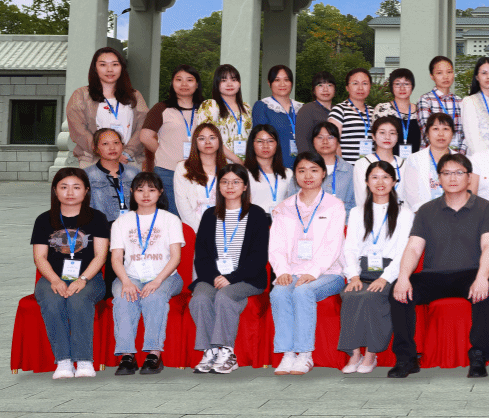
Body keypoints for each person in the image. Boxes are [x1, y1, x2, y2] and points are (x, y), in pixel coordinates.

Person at [389, 153, 489, 378]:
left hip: (470, 273)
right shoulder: (426, 210)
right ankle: (406, 358)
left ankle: (478, 356)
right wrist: (403, 277)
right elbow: (413, 248)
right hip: (434, 276)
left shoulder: (486, 208)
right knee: (398, 291)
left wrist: (482, 277)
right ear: (438, 178)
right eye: (446, 173)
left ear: (469, 178)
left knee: (488, 283)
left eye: (459, 173)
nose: (453, 178)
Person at [268, 152, 347, 375]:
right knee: (278, 292)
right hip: (292, 271)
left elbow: (333, 246)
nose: (308, 176)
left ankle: (304, 355)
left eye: (314, 170)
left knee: (303, 291)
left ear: (323, 173)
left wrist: (313, 272)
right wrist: (282, 271)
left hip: (328, 273)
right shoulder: (284, 207)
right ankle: (287, 354)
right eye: (301, 171)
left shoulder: (334, 205)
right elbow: (276, 246)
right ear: (295, 175)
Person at [190, 163, 271, 375]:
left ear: (245, 186)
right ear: (219, 187)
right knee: (199, 298)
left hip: (247, 278)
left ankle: (227, 352)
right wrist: (215, 277)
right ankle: (210, 351)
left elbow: (259, 257)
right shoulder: (210, 215)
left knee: (225, 296)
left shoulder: (256, 214)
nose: (230, 186)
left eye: (236, 182)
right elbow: (202, 256)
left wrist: (231, 278)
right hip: (213, 276)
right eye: (225, 182)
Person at [32, 168, 110, 379]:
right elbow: (40, 257)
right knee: (52, 301)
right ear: (55, 190)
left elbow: (100, 256)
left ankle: (84, 360)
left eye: (76, 187)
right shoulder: (44, 220)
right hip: (52, 278)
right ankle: (63, 361)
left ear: (86, 190)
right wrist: (55, 280)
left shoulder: (97, 218)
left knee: (78, 299)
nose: (70, 192)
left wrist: (83, 279)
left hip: (90, 278)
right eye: (64, 187)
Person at [339, 161, 414, 374]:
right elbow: (350, 248)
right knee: (350, 294)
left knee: (372, 296)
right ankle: (355, 354)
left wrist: (385, 278)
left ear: (394, 181)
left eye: (385, 177)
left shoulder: (405, 213)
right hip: (362, 269)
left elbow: (404, 251)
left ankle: (371, 355)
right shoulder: (357, 212)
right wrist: (353, 276)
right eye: (374, 177)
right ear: (366, 182)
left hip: (390, 270)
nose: (380, 182)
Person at [109, 171, 183, 376]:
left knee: (154, 297)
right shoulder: (121, 222)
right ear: (132, 193)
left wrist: (157, 281)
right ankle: (127, 356)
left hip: (166, 276)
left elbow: (176, 257)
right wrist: (126, 281)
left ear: (160, 192)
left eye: (151, 190)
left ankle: (153, 354)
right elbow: (116, 258)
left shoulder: (170, 220)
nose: (146, 195)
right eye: (140, 190)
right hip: (130, 275)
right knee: (123, 297)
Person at [137, 64, 205, 216]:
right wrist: (163, 151)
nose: (184, 84)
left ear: (197, 84)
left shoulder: (204, 109)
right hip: (168, 171)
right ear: (172, 83)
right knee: (170, 216)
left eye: (189, 80)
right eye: (178, 79)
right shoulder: (161, 108)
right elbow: (145, 136)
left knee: (196, 214)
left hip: (199, 171)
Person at [66, 46, 149, 167]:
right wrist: (102, 150)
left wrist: (127, 153)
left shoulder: (135, 95)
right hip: (93, 161)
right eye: (103, 65)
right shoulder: (81, 95)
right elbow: (78, 130)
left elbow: (143, 126)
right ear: (95, 68)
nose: (110, 70)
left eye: (115, 64)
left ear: (122, 68)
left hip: (128, 160)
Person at [402, 113, 461, 210]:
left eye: (445, 129)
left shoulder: (461, 160)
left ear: (452, 134)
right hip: (424, 215)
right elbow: (412, 196)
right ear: (427, 133)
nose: (441, 134)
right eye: (435, 129)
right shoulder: (414, 159)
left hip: (456, 214)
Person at [197, 64, 252, 162]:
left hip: (245, 163)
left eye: (233, 80)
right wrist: (237, 160)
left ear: (239, 83)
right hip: (219, 163)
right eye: (224, 80)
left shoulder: (246, 107)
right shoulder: (210, 106)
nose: (229, 84)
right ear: (217, 84)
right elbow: (208, 139)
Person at [174, 122, 222, 233]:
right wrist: (200, 231)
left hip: (222, 231)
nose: (207, 142)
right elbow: (182, 204)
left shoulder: (227, 169)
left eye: (212, 138)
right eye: (202, 138)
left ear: (219, 141)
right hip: (194, 230)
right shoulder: (183, 168)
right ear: (195, 142)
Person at [354, 116, 409, 209]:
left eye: (392, 133)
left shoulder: (405, 164)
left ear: (397, 137)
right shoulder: (362, 164)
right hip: (371, 214)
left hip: (401, 214)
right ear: (373, 136)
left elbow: (408, 198)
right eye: (382, 132)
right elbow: (361, 199)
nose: (387, 137)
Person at [85, 128, 139, 221]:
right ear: (95, 147)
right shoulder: (87, 175)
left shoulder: (134, 173)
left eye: (116, 143)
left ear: (122, 146)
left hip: (132, 224)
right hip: (101, 225)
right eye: (105, 144)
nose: (112, 148)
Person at [251, 64, 302, 163]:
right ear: (269, 83)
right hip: (274, 164)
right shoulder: (263, 106)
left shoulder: (301, 108)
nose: (282, 84)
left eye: (286, 80)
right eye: (277, 80)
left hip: (301, 164)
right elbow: (258, 139)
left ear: (292, 83)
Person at [417, 56, 464, 151]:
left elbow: (466, 133)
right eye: (439, 73)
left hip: (457, 155)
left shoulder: (460, 102)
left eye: (449, 72)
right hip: (432, 155)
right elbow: (427, 133)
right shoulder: (426, 100)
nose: (445, 76)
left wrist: (460, 154)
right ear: (432, 76)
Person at [328, 67, 375, 163]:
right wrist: (342, 167)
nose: (360, 88)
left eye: (365, 83)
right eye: (355, 83)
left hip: (371, 168)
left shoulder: (374, 112)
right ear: (347, 88)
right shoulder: (339, 110)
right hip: (348, 168)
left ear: (370, 86)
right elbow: (332, 142)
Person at [461, 57, 489, 157]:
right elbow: (473, 139)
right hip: (479, 160)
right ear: (477, 77)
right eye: (484, 73)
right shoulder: (469, 102)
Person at [245, 124, 293, 213]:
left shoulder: (288, 173)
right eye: (260, 141)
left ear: (277, 144)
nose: (265, 146)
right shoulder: (244, 173)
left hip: (281, 220)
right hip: (255, 220)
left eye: (270, 141)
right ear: (252, 144)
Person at [373, 68, 422, 154]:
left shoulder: (420, 111)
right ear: (391, 87)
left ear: (412, 86)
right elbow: (376, 139)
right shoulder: (382, 109)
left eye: (406, 84)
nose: (402, 88)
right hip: (389, 160)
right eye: (397, 84)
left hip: (416, 160)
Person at [309, 121, 355, 212]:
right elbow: (292, 202)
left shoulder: (350, 171)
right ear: (313, 141)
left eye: (330, 137)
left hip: (342, 220)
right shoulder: (303, 169)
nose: (325, 141)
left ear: (338, 141)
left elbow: (355, 205)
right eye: (320, 137)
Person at [294, 71, 337, 156]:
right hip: (316, 160)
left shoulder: (338, 110)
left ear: (335, 89)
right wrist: (310, 161)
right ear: (314, 90)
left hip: (337, 159)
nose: (325, 89)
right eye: (320, 85)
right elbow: (302, 141)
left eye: (329, 85)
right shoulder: (307, 109)